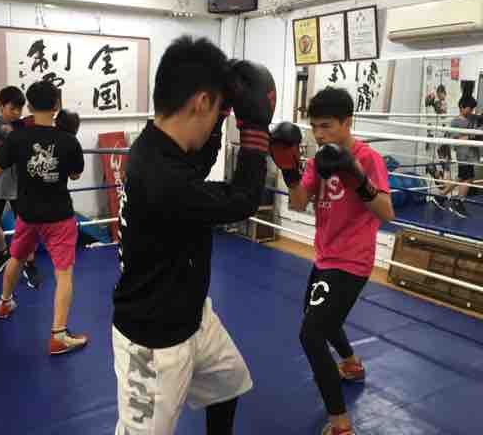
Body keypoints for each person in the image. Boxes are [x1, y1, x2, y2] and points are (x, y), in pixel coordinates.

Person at [112, 36, 274, 435]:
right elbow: (243, 200)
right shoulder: (161, 178)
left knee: (228, 384)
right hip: (153, 340)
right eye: (217, 108)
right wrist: (255, 129)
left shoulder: (159, 144)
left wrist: (223, 110)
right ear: (201, 102)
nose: (219, 117)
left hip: (193, 315)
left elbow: (199, 160)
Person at [269, 87, 394, 435]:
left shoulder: (368, 159)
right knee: (319, 318)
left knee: (311, 335)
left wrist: (357, 179)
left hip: (352, 261)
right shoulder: (318, 161)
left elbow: (386, 212)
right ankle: (351, 364)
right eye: (314, 127)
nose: (319, 134)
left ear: (347, 122)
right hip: (325, 255)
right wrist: (289, 170)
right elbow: (298, 203)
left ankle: (340, 424)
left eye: (326, 126)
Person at [0, 80, 87, 355]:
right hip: (59, 216)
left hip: (27, 214)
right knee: (63, 272)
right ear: (56, 106)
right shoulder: (68, 140)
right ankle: (58, 335)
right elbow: (75, 174)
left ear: (29, 106)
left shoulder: (17, 138)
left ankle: (4, 303)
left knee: (16, 257)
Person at [0, 86, 40, 287]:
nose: (16, 112)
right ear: (1, 105)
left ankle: (30, 264)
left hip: (19, 181)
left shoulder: (24, 125)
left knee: (26, 225)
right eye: (12, 108)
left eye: (19, 109)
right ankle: (1, 254)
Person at [429, 95, 478, 217]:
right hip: (463, 153)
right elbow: (455, 139)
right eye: (469, 108)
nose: (471, 111)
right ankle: (458, 202)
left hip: (471, 153)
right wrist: (471, 136)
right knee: (468, 177)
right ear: (461, 107)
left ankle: (440, 197)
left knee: (462, 177)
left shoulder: (472, 118)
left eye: (472, 109)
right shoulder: (455, 122)